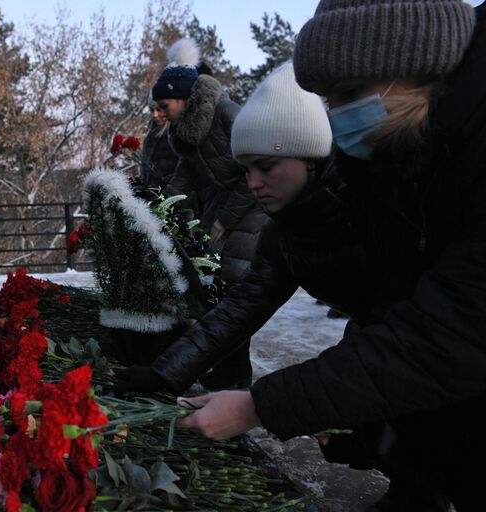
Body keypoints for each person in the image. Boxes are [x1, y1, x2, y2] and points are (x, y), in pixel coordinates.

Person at [178, 1, 485, 510]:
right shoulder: (394, 154)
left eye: (347, 94)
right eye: (328, 99)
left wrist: (264, 405)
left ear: (412, 60)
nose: (338, 115)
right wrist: (357, 417)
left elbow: (449, 332)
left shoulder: (436, 157)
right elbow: (388, 307)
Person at [117, 62, 368, 396]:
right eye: (247, 169)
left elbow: (408, 322)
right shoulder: (285, 232)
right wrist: (164, 375)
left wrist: (268, 405)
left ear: (308, 155)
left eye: (265, 167)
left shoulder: (367, 204)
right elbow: (240, 309)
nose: (253, 183)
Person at [150, 38, 267, 389]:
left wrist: (225, 220)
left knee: (232, 288)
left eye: (164, 103)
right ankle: (231, 370)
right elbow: (182, 177)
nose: (160, 111)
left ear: (183, 99)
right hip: (225, 210)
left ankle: (235, 375)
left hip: (250, 210)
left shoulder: (227, 114)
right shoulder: (186, 131)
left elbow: (256, 172)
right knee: (220, 291)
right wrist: (155, 209)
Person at [139, 92, 179, 190]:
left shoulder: (177, 134)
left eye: (159, 109)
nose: (155, 115)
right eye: (152, 110)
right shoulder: (150, 135)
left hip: (172, 197)